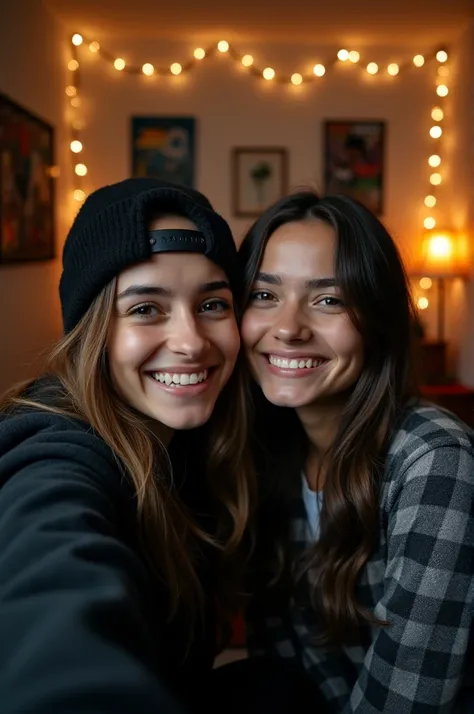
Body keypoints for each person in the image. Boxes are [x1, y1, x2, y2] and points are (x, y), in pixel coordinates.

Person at [0, 177, 255, 714]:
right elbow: (54, 580)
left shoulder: (195, 441)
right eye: (145, 309)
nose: (191, 341)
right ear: (93, 332)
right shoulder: (58, 449)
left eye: (213, 304)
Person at [238, 190, 474, 713]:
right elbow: (279, 661)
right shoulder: (268, 452)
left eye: (329, 300)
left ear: (378, 320)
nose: (288, 329)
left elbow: (408, 700)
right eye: (263, 294)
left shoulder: (435, 461)